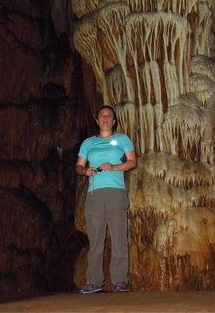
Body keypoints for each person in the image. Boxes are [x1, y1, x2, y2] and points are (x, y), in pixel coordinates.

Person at [76, 104, 137, 294]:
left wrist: (114, 167)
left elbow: (132, 161)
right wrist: (85, 170)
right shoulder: (88, 143)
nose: (105, 118)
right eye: (102, 115)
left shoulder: (122, 139)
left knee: (119, 237)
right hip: (94, 193)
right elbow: (78, 165)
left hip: (116, 192)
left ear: (114, 120)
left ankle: (120, 280)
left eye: (109, 116)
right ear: (96, 120)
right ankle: (94, 281)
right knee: (95, 239)